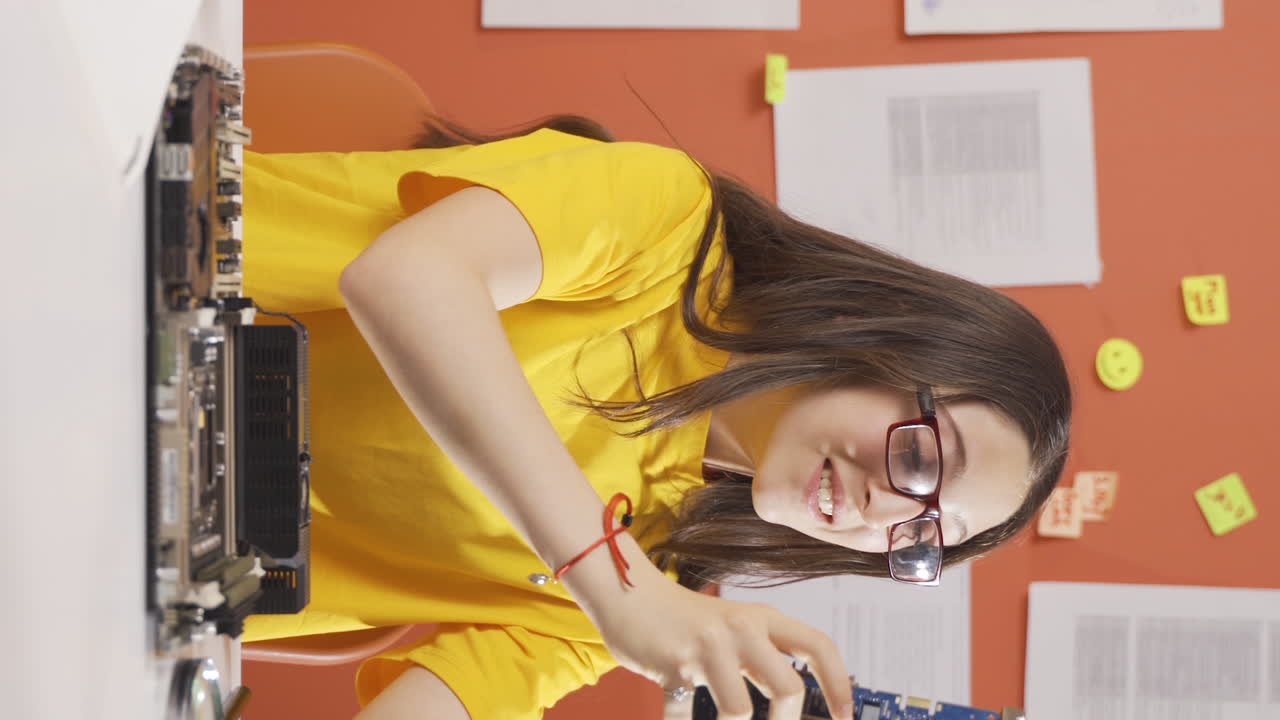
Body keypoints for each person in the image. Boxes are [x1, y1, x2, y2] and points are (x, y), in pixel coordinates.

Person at [239, 114, 1072, 720]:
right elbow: (408, 280)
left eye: (921, 536)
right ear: (890, 341)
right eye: (923, 464)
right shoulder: (671, 228)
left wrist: (623, 593)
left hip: (136, 548)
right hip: (139, 301)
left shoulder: (655, 580)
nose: (882, 514)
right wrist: (606, 576)